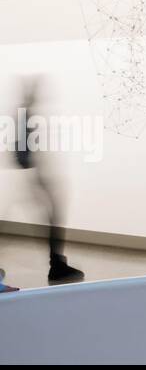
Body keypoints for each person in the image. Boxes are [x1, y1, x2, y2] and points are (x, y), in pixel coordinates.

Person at [11, 78, 84, 285]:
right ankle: (57, 266)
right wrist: (39, 175)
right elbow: (21, 155)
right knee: (53, 217)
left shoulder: (26, 114)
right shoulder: (26, 115)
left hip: (35, 177)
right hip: (35, 177)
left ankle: (58, 263)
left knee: (53, 217)